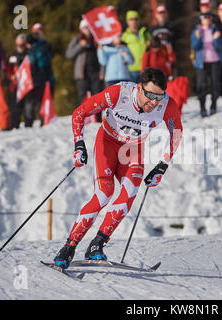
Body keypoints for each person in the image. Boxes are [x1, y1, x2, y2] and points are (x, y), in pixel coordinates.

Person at [52, 68, 183, 269]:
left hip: (133, 149)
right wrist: (79, 144)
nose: (154, 102)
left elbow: (176, 131)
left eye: (159, 96)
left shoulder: (166, 104)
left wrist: (162, 165)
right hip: (108, 143)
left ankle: (97, 245)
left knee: (129, 194)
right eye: (150, 95)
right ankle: (69, 247)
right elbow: (80, 112)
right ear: (139, 88)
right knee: (104, 194)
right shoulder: (118, 93)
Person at [66, 19, 103, 120]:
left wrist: (102, 72)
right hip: (82, 74)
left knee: (97, 97)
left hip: (96, 73)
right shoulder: (77, 39)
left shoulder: (97, 40)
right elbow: (68, 54)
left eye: (88, 27)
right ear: (81, 29)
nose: (87, 30)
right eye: (84, 28)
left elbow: (103, 57)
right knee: (82, 97)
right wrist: (80, 46)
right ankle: (81, 118)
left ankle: (97, 119)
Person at [191, 13, 222, 117]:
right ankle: (202, 108)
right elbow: (195, 47)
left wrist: (216, 38)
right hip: (202, 62)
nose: (206, 20)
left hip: (214, 60)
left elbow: (219, 46)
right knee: (202, 86)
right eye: (204, 18)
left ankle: (213, 106)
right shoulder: (197, 31)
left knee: (215, 85)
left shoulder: (215, 30)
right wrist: (198, 38)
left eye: (208, 18)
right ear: (201, 20)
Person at [24, 29, 54, 127]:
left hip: (34, 79)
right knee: (41, 101)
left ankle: (29, 122)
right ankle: (43, 120)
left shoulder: (32, 50)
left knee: (30, 100)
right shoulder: (43, 48)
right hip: (45, 78)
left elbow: (32, 64)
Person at [121, 10, 151, 82]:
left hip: (145, 67)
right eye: (131, 19)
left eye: (136, 19)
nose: (134, 21)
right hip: (132, 69)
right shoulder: (124, 36)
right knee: (133, 92)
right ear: (127, 21)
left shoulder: (144, 33)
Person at [6, 34, 28, 129]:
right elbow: (8, 69)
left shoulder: (29, 55)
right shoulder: (13, 55)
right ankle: (15, 124)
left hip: (27, 85)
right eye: (19, 45)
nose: (21, 47)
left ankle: (29, 123)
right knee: (14, 106)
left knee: (27, 106)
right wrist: (11, 76)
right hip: (15, 85)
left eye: (23, 45)